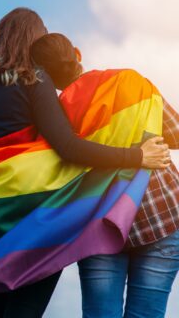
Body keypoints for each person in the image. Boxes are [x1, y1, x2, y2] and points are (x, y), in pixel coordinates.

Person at [0, 8, 170, 318]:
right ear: (34, 45)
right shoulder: (34, 79)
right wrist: (135, 156)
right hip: (33, 222)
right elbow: (68, 148)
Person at [30, 32, 179, 318]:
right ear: (77, 54)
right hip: (161, 215)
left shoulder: (55, 117)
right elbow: (175, 132)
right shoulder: (130, 81)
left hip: (99, 223)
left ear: (43, 76)